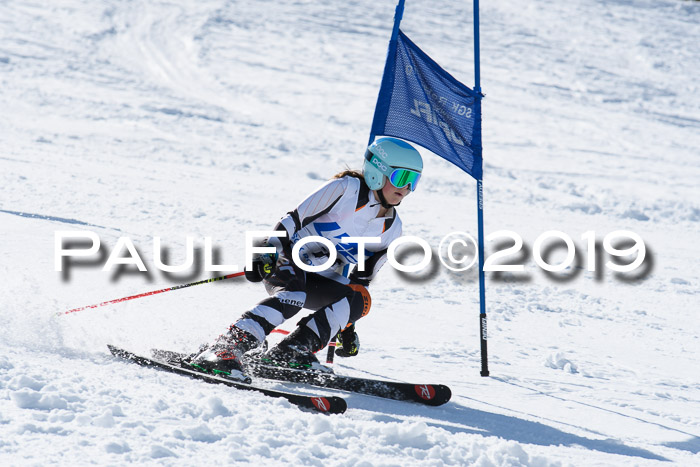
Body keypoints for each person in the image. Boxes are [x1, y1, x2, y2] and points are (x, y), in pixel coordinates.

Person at [189, 137, 424, 380]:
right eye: (401, 178)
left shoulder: (391, 228)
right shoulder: (346, 190)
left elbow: (360, 281)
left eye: (413, 181)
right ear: (378, 172)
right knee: (295, 294)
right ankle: (225, 348)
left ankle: (292, 352)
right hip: (288, 258)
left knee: (359, 300)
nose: (406, 188)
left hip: (321, 277)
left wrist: (347, 324)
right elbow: (292, 220)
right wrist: (265, 253)